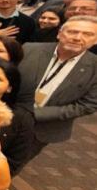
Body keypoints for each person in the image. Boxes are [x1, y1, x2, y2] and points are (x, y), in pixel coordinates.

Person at [17, 16, 97, 162]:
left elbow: (87, 105)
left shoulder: (94, 68)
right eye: (72, 32)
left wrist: (34, 113)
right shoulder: (29, 49)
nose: (77, 38)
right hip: (6, 116)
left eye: (88, 34)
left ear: (95, 40)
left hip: (42, 129)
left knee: (11, 166)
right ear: (60, 33)